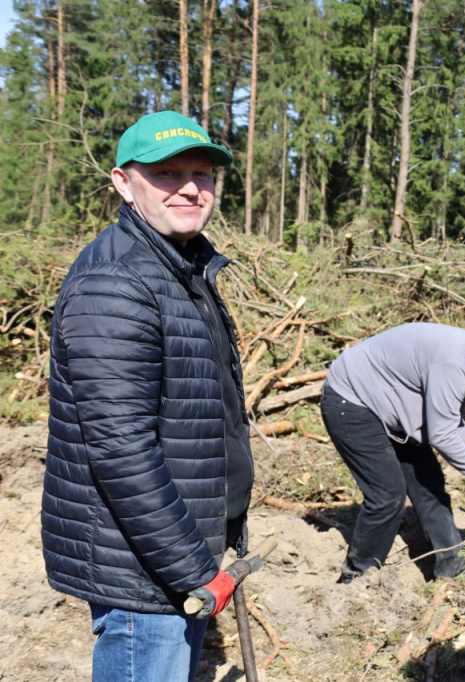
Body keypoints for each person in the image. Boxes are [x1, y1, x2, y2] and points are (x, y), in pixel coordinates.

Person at [42, 110, 252, 682]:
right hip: (144, 566)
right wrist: (191, 567)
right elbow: (121, 447)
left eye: (201, 173)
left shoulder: (181, 267)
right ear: (123, 182)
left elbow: (200, 412)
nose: (189, 188)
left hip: (173, 545)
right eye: (166, 173)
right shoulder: (116, 282)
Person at [320, 323, 465, 582]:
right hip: (352, 401)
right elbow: (442, 435)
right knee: (387, 495)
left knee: (429, 480)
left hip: (391, 408)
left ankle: (451, 567)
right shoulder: (453, 362)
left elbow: (453, 420)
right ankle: (358, 576)